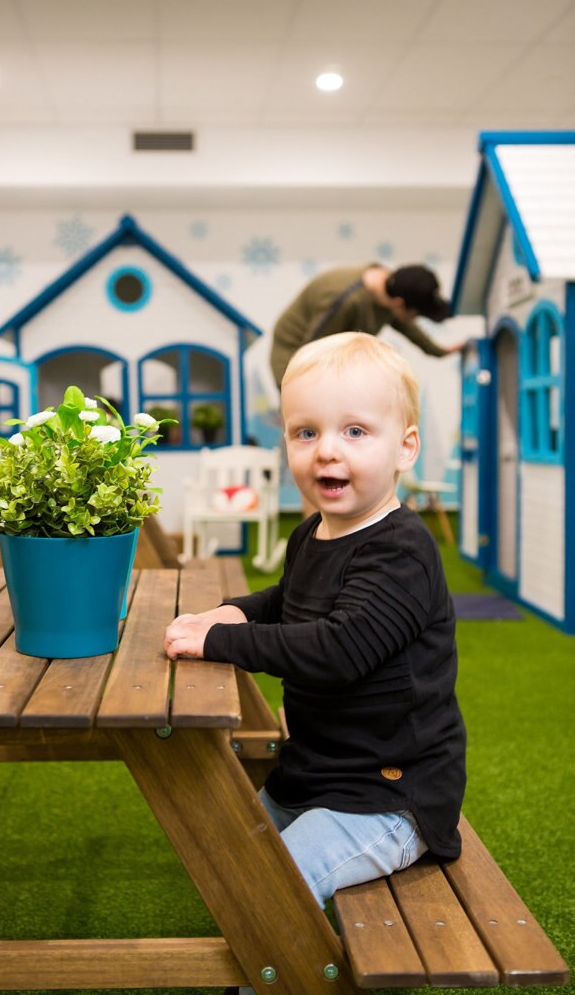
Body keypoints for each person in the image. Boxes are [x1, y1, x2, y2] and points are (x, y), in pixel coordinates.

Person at [164, 332, 466, 995]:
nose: (326, 449)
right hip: (317, 771)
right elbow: (289, 598)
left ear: (404, 448)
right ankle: (252, 945)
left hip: (390, 795)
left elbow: (335, 649)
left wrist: (222, 644)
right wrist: (235, 613)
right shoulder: (315, 531)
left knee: (277, 886)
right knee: (231, 845)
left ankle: (266, 979)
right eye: (306, 432)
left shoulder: (403, 553)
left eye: (355, 431)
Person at [270, 263, 463, 388]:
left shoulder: (392, 287)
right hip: (294, 354)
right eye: (415, 315)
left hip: (326, 353)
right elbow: (313, 352)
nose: (414, 320)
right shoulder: (345, 302)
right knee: (310, 414)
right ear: (398, 303)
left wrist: (439, 351)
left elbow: (405, 326)